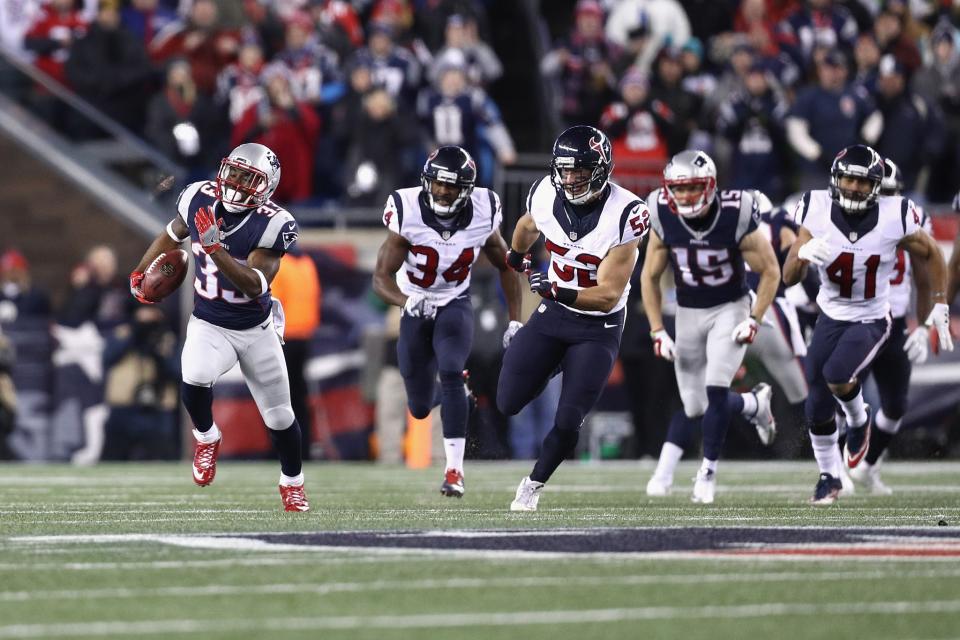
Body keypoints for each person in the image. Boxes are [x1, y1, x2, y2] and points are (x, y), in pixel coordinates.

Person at [128, 142, 310, 512]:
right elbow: (171, 235)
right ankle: (207, 437)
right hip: (210, 320)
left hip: (256, 328)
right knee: (193, 377)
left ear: (266, 188)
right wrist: (140, 271)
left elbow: (255, 283)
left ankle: (292, 484)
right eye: (234, 172)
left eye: (249, 178)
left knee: (280, 416)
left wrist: (215, 249)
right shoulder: (197, 196)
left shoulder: (275, 222)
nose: (237, 183)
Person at [782, 144, 953, 505]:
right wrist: (801, 255)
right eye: (847, 179)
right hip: (831, 314)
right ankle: (829, 477)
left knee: (838, 373)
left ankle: (859, 421)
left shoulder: (897, 215)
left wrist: (938, 305)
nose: (854, 187)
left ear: (877, 186)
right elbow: (788, 276)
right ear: (835, 179)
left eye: (862, 182)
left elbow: (933, 255)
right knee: (815, 403)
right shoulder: (816, 209)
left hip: (872, 316)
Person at [496, 125, 650, 512]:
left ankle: (532, 485)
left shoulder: (626, 214)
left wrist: (555, 288)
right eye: (564, 170)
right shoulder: (545, 193)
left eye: (580, 171)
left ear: (601, 169)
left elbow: (608, 295)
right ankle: (553, 362)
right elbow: (527, 225)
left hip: (597, 327)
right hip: (555, 314)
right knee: (507, 401)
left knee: (567, 420)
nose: (570, 179)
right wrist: (515, 257)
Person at [372, 145, 522, 498]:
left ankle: (454, 471)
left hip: (455, 302)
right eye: (437, 183)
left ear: (467, 190)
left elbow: (506, 266)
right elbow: (380, 278)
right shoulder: (407, 210)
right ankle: (453, 393)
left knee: (452, 370)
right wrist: (408, 301)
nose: (441, 191)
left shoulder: (484, 211)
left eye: (451, 186)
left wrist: (515, 321)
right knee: (420, 407)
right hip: (415, 307)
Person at [641, 151, 780, 503]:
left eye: (693, 187)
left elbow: (770, 270)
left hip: (730, 307)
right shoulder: (659, 211)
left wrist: (754, 318)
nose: (686, 196)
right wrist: (657, 330)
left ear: (711, 185)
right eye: (679, 188)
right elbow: (650, 276)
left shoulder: (735, 212)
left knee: (716, 389)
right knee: (694, 406)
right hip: (688, 310)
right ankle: (752, 405)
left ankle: (707, 473)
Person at [850, 159, 932, 494]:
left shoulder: (910, 217)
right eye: (878, 192)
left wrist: (924, 326)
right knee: (846, 397)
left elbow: (925, 276)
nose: (885, 200)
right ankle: (840, 464)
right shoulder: (846, 217)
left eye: (890, 192)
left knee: (896, 404)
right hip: (856, 318)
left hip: (894, 319)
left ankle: (866, 468)